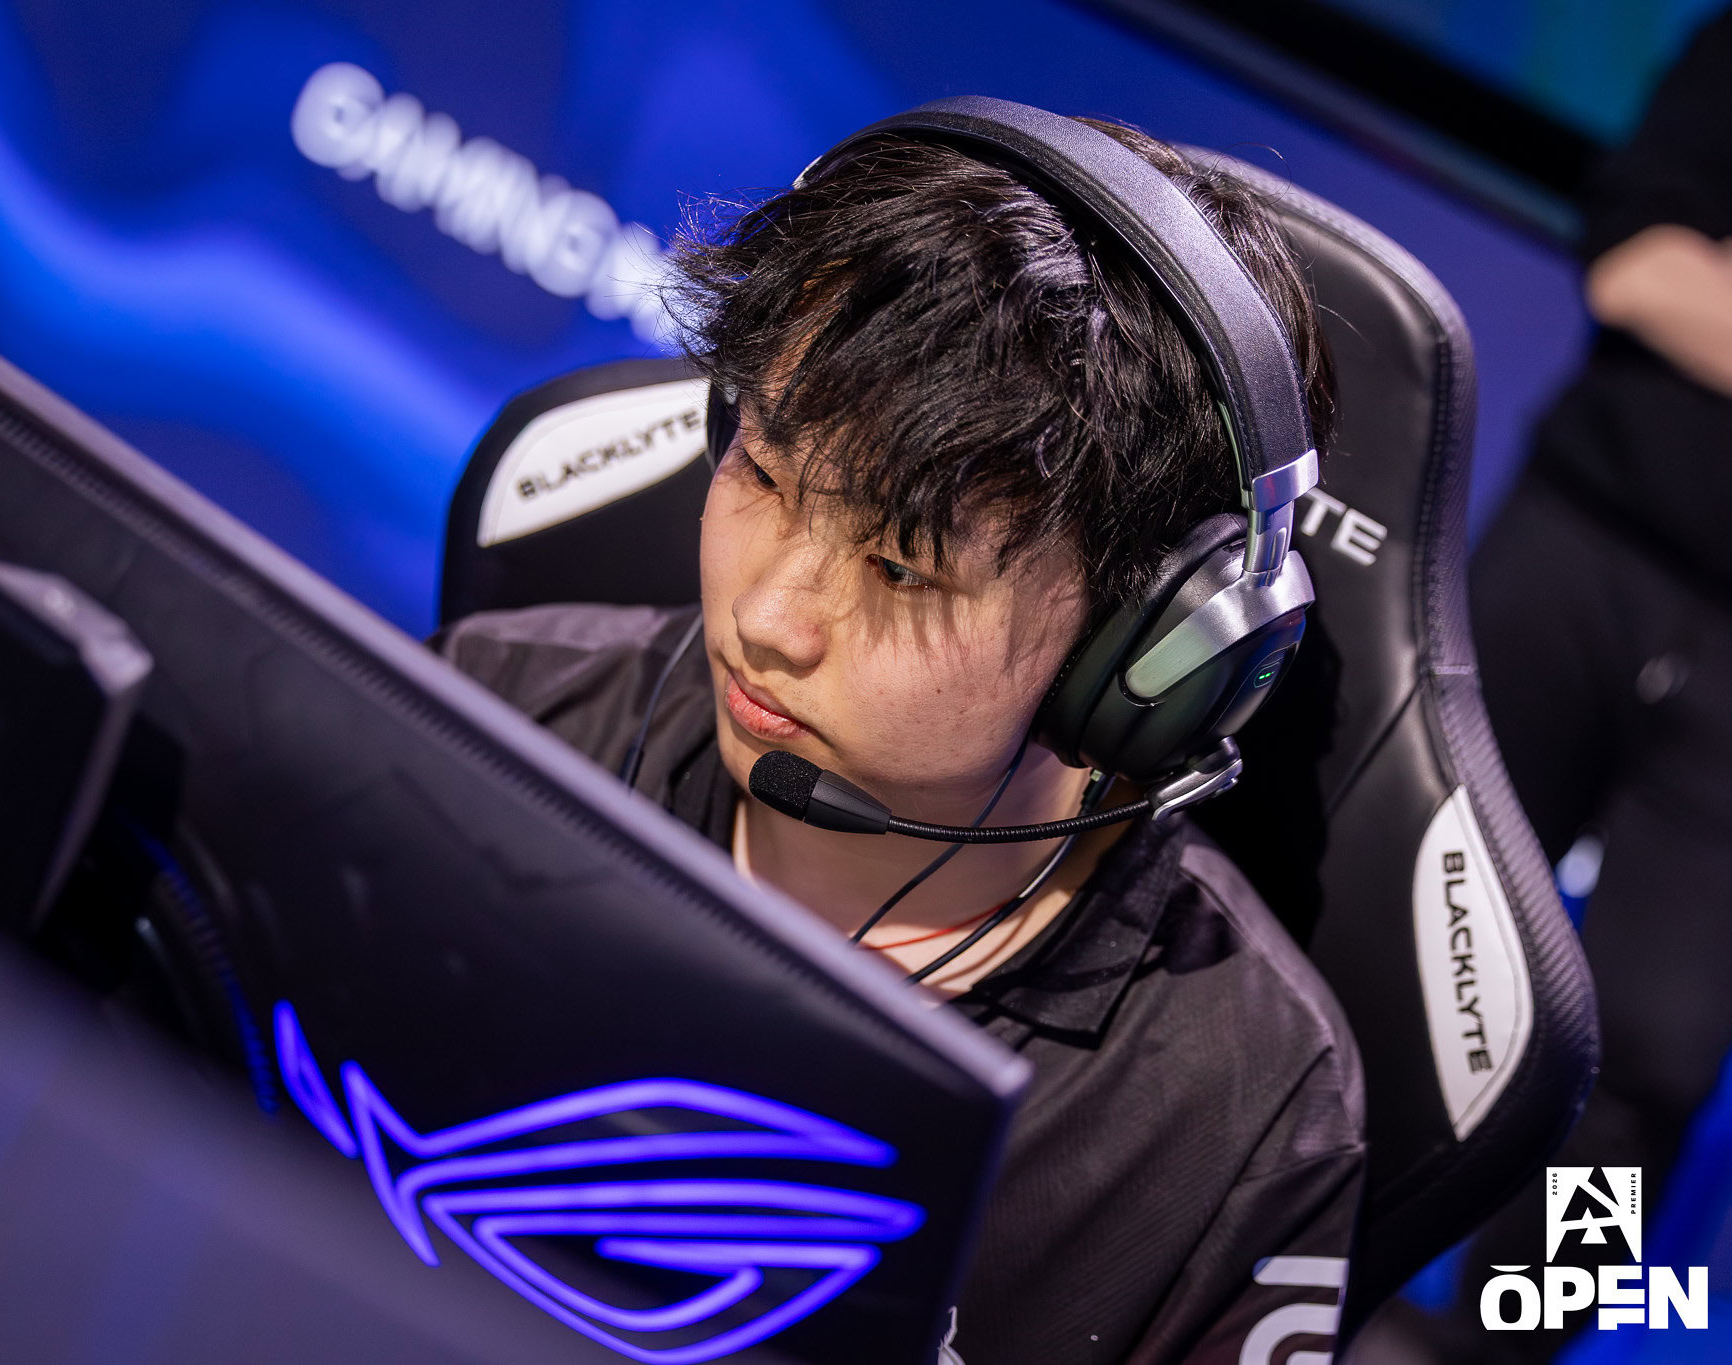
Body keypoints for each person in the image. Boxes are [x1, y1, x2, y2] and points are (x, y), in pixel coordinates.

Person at [435, 117, 1364, 1362]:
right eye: (761, 473)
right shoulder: (487, 717)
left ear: (1142, 651)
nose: (766, 620)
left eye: (899, 568)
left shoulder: (1240, 1109)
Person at [1422, 10, 1732, 1361]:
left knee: (1652, 1063)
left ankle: (1504, 1343)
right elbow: (1644, 269)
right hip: (1583, 551)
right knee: (1396, 912)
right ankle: (1248, 1259)